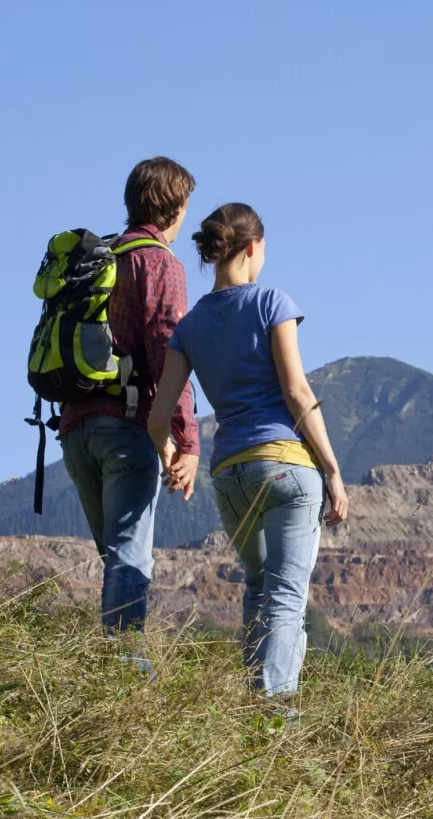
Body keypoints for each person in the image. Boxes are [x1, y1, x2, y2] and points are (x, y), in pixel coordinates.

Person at [149, 202, 349, 702]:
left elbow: (158, 417)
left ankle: (254, 707)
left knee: (259, 588)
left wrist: (171, 454)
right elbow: (297, 393)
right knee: (285, 599)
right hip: (286, 467)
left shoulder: (191, 326)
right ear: (252, 247)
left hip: (232, 476)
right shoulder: (271, 303)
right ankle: (274, 718)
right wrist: (333, 470)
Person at [59, 156, 201, 633]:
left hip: (75, 427)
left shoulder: (99, 259)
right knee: (129, 561)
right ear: (176, 207)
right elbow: (168, 349)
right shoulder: (158, 262)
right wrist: (186, 438)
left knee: (115, 558)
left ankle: (112, 665)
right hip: (124, 427)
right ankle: (126, 671)